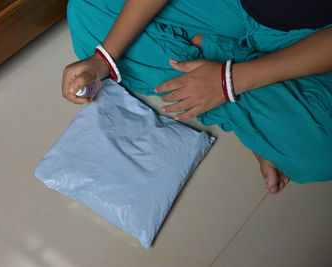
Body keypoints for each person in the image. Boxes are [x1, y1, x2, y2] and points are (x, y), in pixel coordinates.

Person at [61, 0, 332, 194]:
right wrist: (103, 59)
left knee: (320, 157)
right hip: (232, 7)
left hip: (313, 40)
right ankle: (239, 95)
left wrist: (230, 81)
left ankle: (223, 78)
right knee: (87, 10)